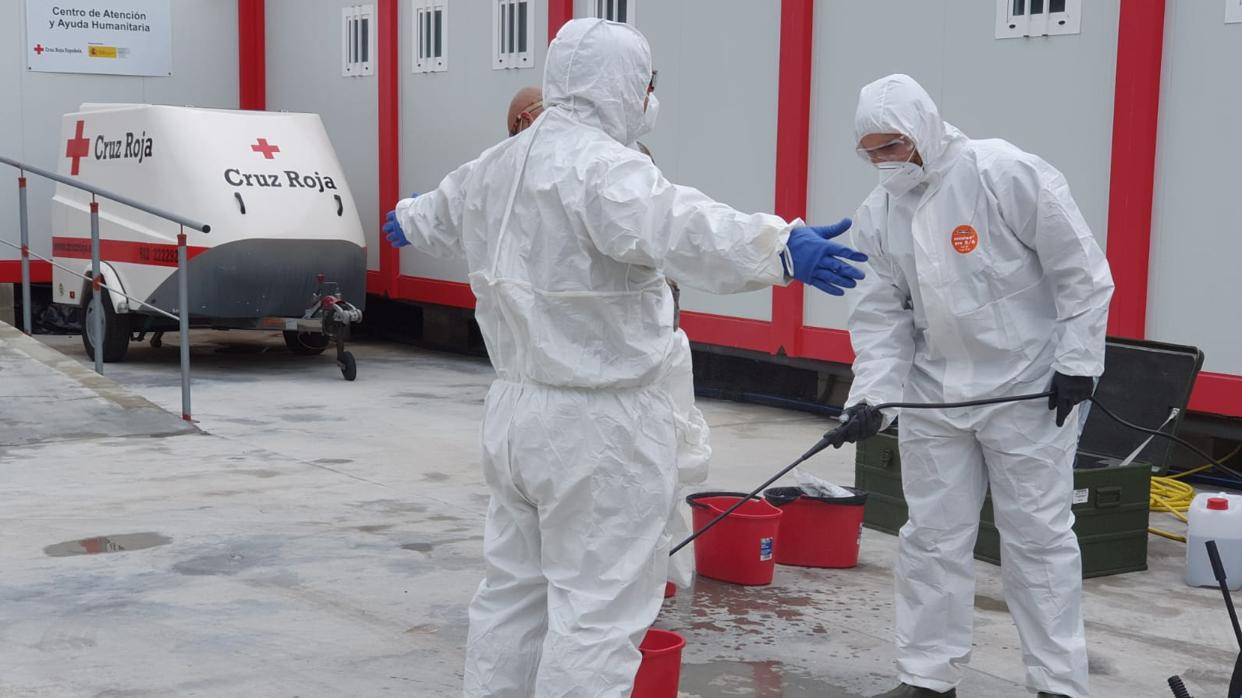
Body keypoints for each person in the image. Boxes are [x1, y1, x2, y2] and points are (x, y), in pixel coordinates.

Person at [382, 18, 868, 697]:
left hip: (517, 414)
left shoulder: (500, 162)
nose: (648, 99)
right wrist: (779, 247)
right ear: (621, 86)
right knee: (598, 614)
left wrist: (408, 218)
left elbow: (427, 214)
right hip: (599, 428)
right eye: (646, 85)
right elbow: (683, 225)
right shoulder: (605, 169)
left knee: (512, 596)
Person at [832, 74, 1114, 698]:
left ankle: (1059, 684)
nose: (886, 161)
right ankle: (927, 678)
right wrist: (869, 399)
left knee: (1039, 540)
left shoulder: (1005, 173)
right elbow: (882, 317)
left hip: (1029, 392)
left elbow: (1081, 272)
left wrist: (1077, 361)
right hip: (935, 397)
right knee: (931, 539)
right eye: (873, 151)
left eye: (894, 145)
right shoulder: (880, 214)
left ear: (923, 128)